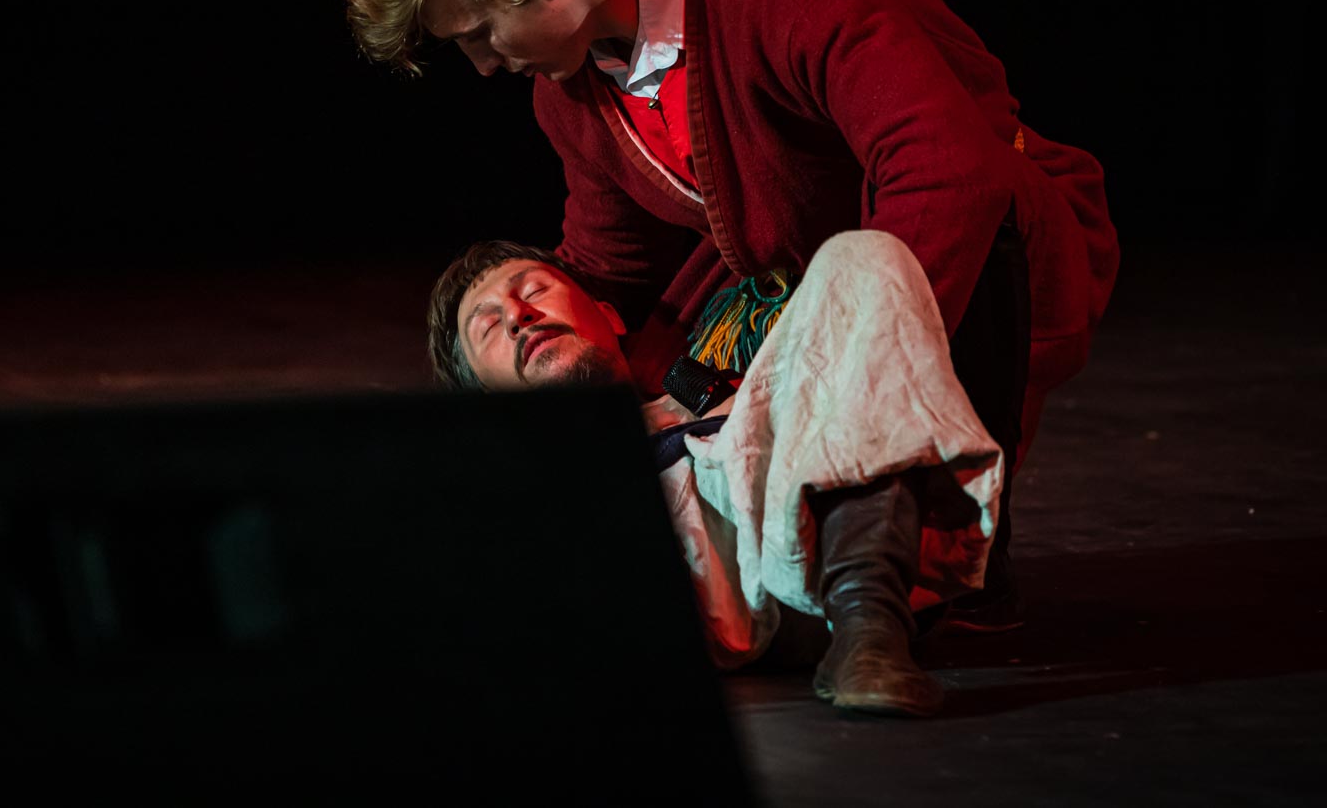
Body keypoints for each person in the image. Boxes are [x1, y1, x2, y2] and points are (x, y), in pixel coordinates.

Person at [350, 0, 1119, 632]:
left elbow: (946, 171)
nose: (481, 65)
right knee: (656, 415)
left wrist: (810, 386)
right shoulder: (570, 92)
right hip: (798, 296)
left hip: (979, 246)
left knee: (847, 320)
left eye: (479, 33)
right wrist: (508, 390)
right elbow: (611, 270)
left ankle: (932, 558)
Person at [427, 232, 1006, 718]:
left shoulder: (714, 389)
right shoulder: (509, 482)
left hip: (801, 537)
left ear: (609, 314)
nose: (519, 317)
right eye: (489, 327)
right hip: (665, 599)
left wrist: (729, 410)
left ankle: (869, 633)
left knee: (861, 254)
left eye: (534, 291)